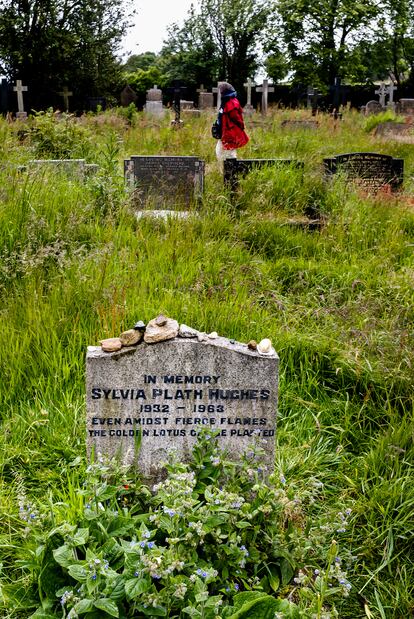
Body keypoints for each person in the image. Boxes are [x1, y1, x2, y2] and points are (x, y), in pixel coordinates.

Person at [215, 82, 249, 161]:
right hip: (223, 131)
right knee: (219, 151)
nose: (220, 91)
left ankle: (233, 170)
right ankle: (223, 169)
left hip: (230, 131)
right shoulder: (225, 101)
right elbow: (221, 116)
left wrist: (241, 127)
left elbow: (237, 118)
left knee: (230, 152)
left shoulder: (232, 102)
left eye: (221, 90)